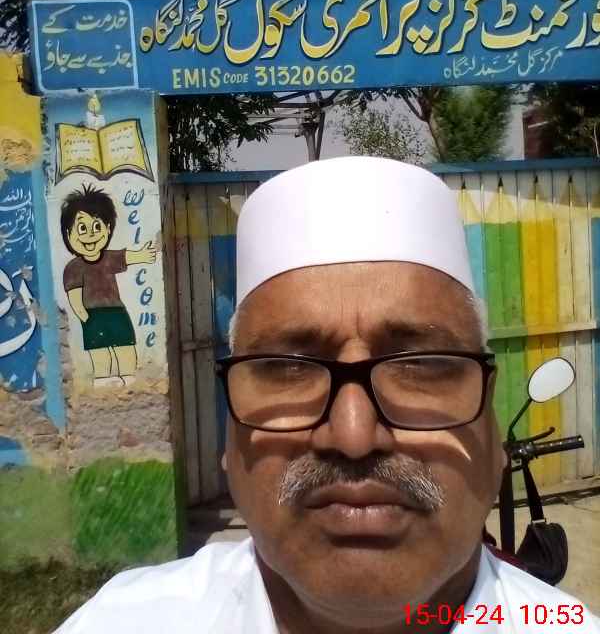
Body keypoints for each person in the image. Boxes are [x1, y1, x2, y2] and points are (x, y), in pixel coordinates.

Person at [56, 157, 599, 633]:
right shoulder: (124, 622)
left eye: (419, 365)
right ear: (229, 440)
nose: (354, 435)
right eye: (288, 368)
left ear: (492, 429)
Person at [61, 183, 156, 385]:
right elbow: (75, 299)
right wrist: (86, 318)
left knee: (126, 353)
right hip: (93, 317)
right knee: (101, 359)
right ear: (69, 234)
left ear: (108, 228)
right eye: (82, 228)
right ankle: (104, 387)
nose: (90, 234)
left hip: (117, 313)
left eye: (97, 226)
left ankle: (129, 387)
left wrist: (143, 255)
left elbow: (126, 256)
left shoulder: (108, 258)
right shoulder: (73, 268)